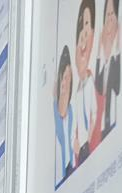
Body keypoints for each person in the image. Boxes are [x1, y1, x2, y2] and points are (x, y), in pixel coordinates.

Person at [72, 0, 99, 161]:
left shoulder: (91, 83)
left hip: (86, 148)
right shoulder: (78, 90)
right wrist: (75, 140)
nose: (83, 35)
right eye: (81, 26)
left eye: (87, 25)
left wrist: (87, 140)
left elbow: (94, 113)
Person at [96, 0, 120, 138]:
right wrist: (99, 53)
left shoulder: (116, 59)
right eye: (107, 15)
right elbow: (99, 88)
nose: (110, 19)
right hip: (102, 130)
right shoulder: (103, 64)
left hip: (112, 126)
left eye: (112, 14)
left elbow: (117, 87)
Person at [53, 47, 77, 182]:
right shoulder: (54, 110)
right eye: (63, 76)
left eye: (68, 78)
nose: (64, 82)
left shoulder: (71, 112)